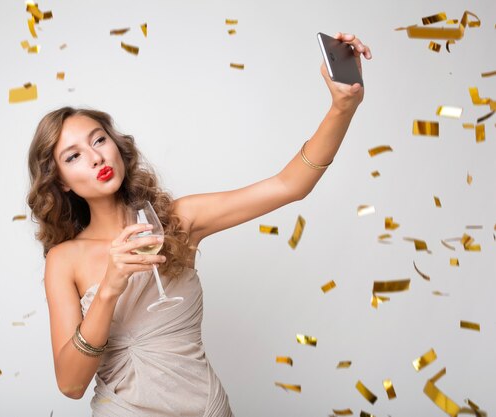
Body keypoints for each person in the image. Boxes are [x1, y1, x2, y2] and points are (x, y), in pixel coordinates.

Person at [27, 32, 371, 417]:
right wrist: (109, 288)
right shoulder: (64, 261)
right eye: (73, 156)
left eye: (99, 140)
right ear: (60, 181)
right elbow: (71, 385)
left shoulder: (178, 221)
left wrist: (343, 107)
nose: (94, 157)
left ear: (116, 145)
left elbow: (289, 185)